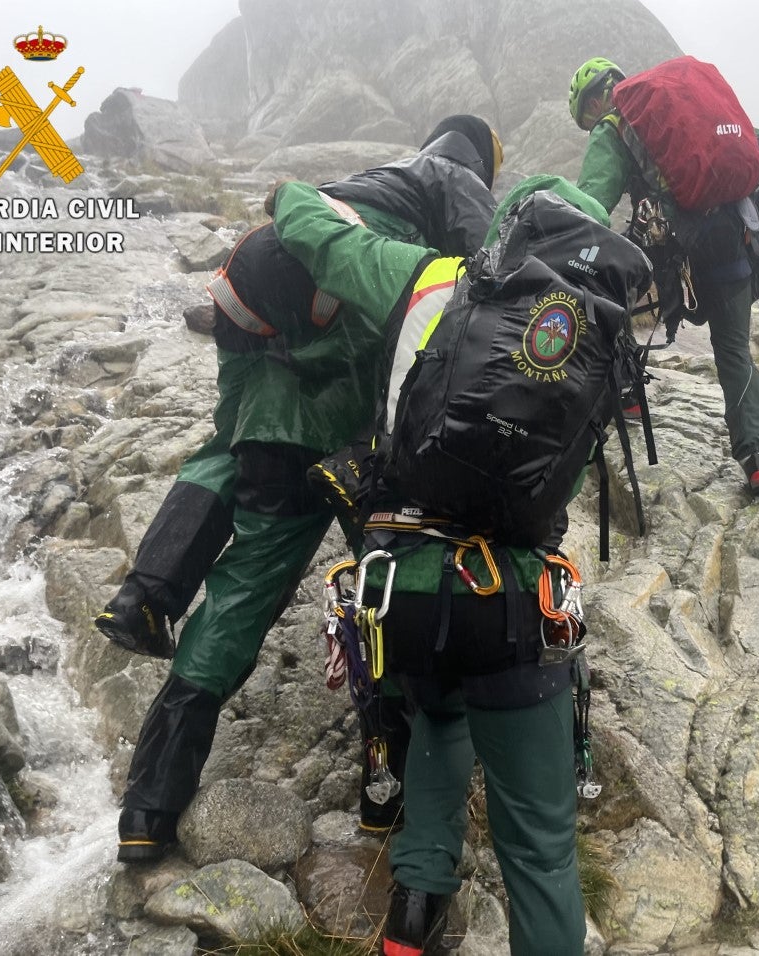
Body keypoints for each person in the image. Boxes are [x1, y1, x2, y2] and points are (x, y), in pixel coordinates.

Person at [109, 117, 503, 861]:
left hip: (257, 344)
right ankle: (388, 796)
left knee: (239, 591)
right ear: (477, 160)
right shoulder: (450, 180)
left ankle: (147, 808)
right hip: (353, 406)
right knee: (387, 589)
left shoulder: (356, 187)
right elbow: (486, 284)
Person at [270, 173, 639, 956]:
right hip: (508, 600)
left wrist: (291, 194)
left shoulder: (435, 277)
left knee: (439, 714)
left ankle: (413, 918)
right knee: (538, 848)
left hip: (399, 587)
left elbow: (322, 241)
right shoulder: (602, 330)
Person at [568, 57, 759, 497]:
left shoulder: (616, 127)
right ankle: (757, 458)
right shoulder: (679, 106)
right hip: (734, 244)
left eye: (585, 118)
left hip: (675, 260)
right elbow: (757, 145)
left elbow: (591, 205)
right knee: (734, 351)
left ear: (594, 100)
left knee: (616, 310)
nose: (592, 125)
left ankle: (624, 392)